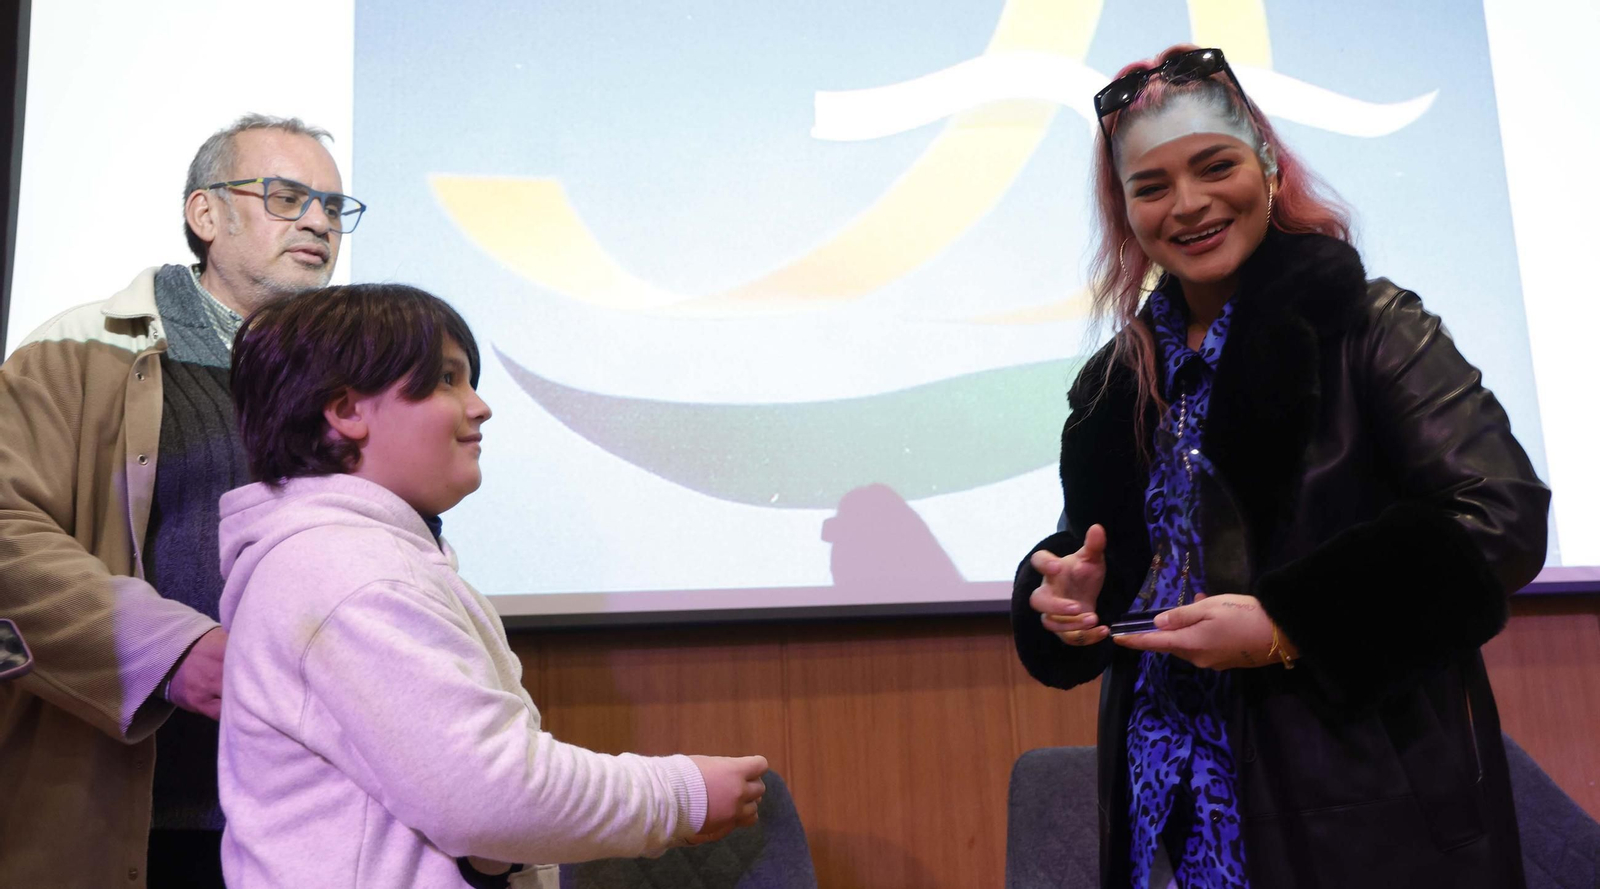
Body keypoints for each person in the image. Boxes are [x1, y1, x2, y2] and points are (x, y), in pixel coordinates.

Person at [1012, 46, 1549, 889]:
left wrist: (1287, 625)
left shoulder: (1371, 327)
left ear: (1265, 165)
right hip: (1162, 809)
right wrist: (1063, 600)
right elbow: (1108, 562)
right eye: (1150, 186)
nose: (1187, 205)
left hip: (1361, 818)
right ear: (1124, 209)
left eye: (1213, 166)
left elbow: (1501, 519)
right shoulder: (1115, 383)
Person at [217, 283, 769, 888]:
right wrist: (680, 794)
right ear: (347, 412)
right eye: (446, 380)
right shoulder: (352, 573)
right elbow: (485, 795)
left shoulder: (363, 558)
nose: (479, 407)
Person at [0, 113, 360, 887]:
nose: (317, 222)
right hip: (142, 805)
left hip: (323, 814)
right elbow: (5, 533)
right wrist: (172, 653)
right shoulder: (79, 351)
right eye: (286, 195)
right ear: (206, 215)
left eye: (333, 207)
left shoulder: (360, 378)